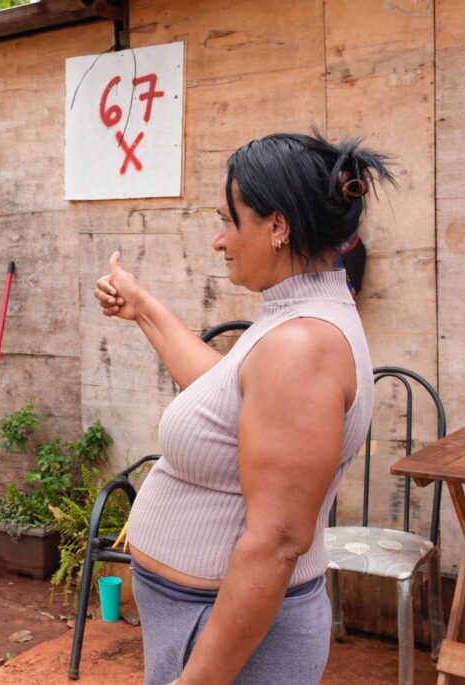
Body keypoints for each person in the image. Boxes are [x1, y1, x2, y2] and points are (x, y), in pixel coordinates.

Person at [94, 132, 393, 685]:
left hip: (226, 641)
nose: (219, 240)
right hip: (202, 622)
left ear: (278, 227)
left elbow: (276, 542)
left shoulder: (301, 346)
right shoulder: (296, 319)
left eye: (229, 221)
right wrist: (142, 309)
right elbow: (223, 393)